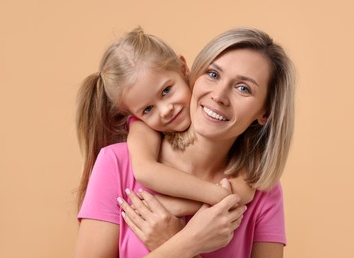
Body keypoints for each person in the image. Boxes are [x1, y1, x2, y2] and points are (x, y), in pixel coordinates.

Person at [76, 27, 295, 258]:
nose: (219, 95)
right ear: (193, 73)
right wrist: (187, 244)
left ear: (265, 112)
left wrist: (176, 242)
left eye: (243, 88)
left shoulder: (261, 190)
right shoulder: (118, 164)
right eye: (213, 74)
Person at [75, 26, 254, 216]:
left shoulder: (230, 126)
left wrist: (181, 206)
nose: (166, 110)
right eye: (148, 109)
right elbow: (145, 171)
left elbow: (247, 189)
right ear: (132, 114)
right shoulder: (143, 129)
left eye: (166, 91)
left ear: (183, 68)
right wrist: (214, 195)